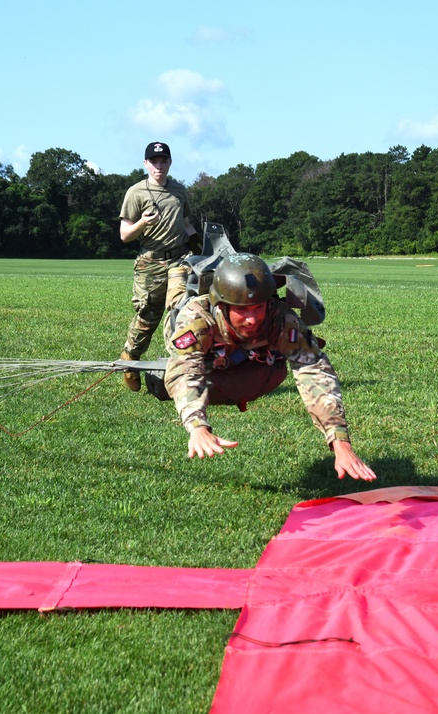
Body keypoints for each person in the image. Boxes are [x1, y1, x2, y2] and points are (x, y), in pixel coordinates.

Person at [160, 252, 376, 481]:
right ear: (222, 306)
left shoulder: (280, 318)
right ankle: (178, 273)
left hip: (244, 349)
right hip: (191, 330)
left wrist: (339, 440)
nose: (252, 319)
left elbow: (314, 372)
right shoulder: (197, 320)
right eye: (241, 309)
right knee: (177, 302)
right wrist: (197, 425)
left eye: (258, 307)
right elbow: (185, 372)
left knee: (269, 368)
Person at [118, 141, 202, 391]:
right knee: (148, 315)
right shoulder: (136, 192)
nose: (159, 166)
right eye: (154, 161)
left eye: (164, 160)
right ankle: (130, 359)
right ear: (146, 164)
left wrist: (202, 251)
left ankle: (182, 366)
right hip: (150, 262)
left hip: (180, 258)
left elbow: (187, 225)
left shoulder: (179, 190)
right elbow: (124, 235)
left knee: (181, 309)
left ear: (170, 162)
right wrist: (142, 222)